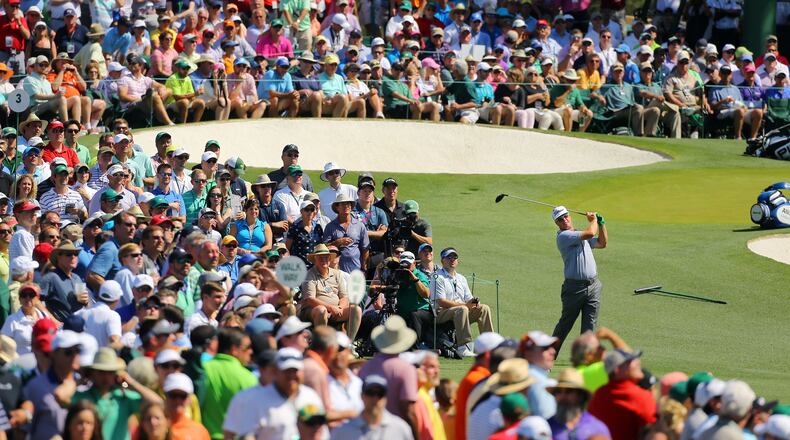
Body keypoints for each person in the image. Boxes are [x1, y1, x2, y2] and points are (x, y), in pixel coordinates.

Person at [223, 347, 325, 439]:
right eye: (286, 370)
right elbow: (245, 435)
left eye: (295, 370)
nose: (291, 375)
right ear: (276, 371)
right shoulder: (256, 400)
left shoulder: (311, 396)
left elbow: (321, 432)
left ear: (302, 371)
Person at [551, 206, 607, 350]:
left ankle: (584, 364)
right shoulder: (563, 237)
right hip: (574, 289)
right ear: (557, 223)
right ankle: (546, 360)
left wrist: (601, 224)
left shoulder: (578, 234)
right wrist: (593, 220)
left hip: (593, 286)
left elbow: (602, 243)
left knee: (589, 327)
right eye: (560, 219)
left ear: (570, 216)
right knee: (565, 325)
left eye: (565, 216)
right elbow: (590, 233)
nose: (564, 220)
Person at [359, 315, 420, 438]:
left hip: (366, 430)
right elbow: (408, 410)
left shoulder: (366, 366)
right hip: (395, 432)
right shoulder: (406, 369)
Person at [433, 247, 493, 357]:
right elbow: (441, 302)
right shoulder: (437, 277)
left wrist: (474, 302)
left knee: (484, 308)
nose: (452, 260)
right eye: (449, 257)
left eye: (454, 257)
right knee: (463, 309)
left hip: (461, 312)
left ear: (458, 261)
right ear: (442, 261)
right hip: (441, 313)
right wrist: (465, 305)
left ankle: (489, 345)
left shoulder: (461, 278)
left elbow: (468, 298)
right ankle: (463, 347)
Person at [200, 327, 257, 439]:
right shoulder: (249, 378)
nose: (251, 352)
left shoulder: (203, 369)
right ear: (234, 350)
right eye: (247, 348)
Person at [588, 349, 656, 440]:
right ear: (617, 370)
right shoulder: (640, 396)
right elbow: (654, 429)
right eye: (629, 362)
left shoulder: (598, 394)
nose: (637, 363)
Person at [299, 244, 361, 340]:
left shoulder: (337, 274)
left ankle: (349, 343)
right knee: (321, 310)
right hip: (312, 311)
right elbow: (310, 299)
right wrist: (331, 308)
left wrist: (340, 308)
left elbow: (344, 296)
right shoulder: (309, 274)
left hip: (335, 310)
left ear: (330, 259)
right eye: (321, 258)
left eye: (326, 257)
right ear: (315, 259)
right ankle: (323, 343)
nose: (324, 260)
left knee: (356, 309)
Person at [333, 374, 414, 439]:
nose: (375, 398)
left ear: (386, 397)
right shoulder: (343, 432)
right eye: (370, 393)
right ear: (362, 396)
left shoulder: (400, 429)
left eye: (380, 394)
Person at [547, 368, 611, 440]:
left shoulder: (596, 428)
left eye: (569, 391)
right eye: (558, 391)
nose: (562, 396)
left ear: (580, 396)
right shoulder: (546, 428)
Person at [39, 240, 87, 322]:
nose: (73, 257)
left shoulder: (77, 278)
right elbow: (35, 300)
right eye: (68, 254)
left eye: (75, 254)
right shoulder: (51, 277)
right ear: (58, 257)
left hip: (80, 326)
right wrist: (54, 321)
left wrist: (86, 301)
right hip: (62, 329)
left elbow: (84, 303)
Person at [323, 194, 369, 273]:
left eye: (348, 204)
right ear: (337, 207)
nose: (346, 206)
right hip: (336, 271)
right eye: (343, 204)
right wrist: (338, 242)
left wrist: (364, 268)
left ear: (351, 207)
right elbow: (324, 248)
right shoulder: (330, 226)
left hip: (355, 270)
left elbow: (365, 248)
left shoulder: (359, 225)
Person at [163, 372, 211, 439]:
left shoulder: (199, 431)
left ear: (190, 399)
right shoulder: (155, 426)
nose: (178, 400)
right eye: (173, 395)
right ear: (165, 396)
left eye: (183, 396)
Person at [75, 280, 122, 348]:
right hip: (102, 358)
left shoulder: (78, 314)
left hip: (81, 357)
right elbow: (114, 340)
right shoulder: (113, 315)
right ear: (117, 300)